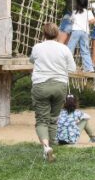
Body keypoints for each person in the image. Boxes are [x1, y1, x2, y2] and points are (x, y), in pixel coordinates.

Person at [30, 22, 76, 162]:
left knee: (42, 120)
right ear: (57, 34)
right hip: (59, 85)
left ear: (44, 34)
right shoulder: (64, 49)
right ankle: (52, 144)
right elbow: (72, 68)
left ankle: (46, 147)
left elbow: (32, 60)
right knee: (53, 118)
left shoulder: (37, 47)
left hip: (41, 85)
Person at [67, 0, 95, 73]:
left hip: (76, 31)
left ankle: (67, 66)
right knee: (85, 51)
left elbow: (70, 20)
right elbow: (91, 21)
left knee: (70, 49)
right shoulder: (88, 12)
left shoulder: (74, 11)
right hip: (85, 32)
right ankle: (89, 68)